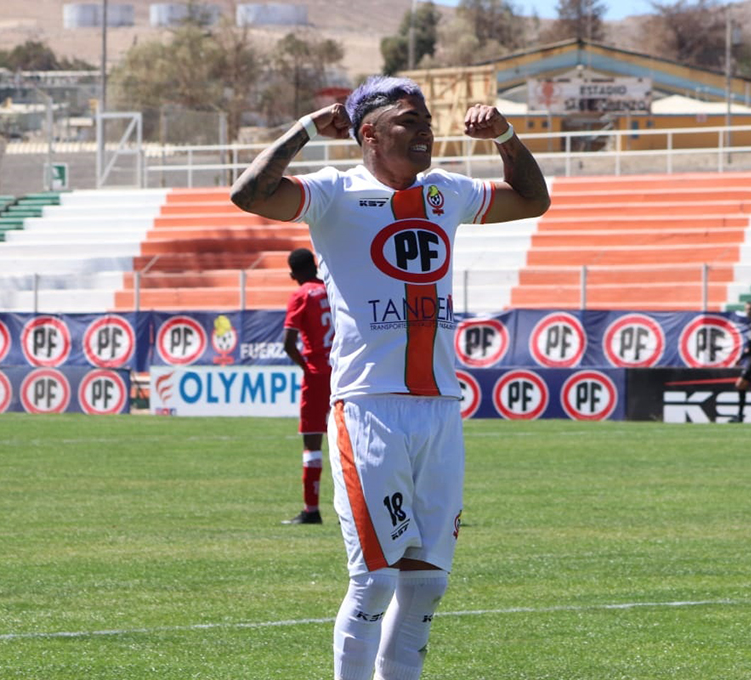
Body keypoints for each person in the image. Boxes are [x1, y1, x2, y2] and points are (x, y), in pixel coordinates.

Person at [231, 75, 549, 680]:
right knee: (375, 579)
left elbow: (532, 200)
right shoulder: (332, 193)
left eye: (427, 118)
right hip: (368, 407)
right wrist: (303, 129)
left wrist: (506, 135)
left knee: (427, 585)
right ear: (370, 133)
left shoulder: (447, 191)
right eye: (410, 120)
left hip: (439, 408)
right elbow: (248, 195)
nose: (426, 128)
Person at [281, 247, 333, 525]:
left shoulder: (300, 295)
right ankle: (356, 510)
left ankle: (311, 510)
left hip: (316, 374)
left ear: (293, 274)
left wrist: (305, 367)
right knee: (350, 441)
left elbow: (288, 343)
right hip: (343, 372)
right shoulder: (332, 290)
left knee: (312, 443)